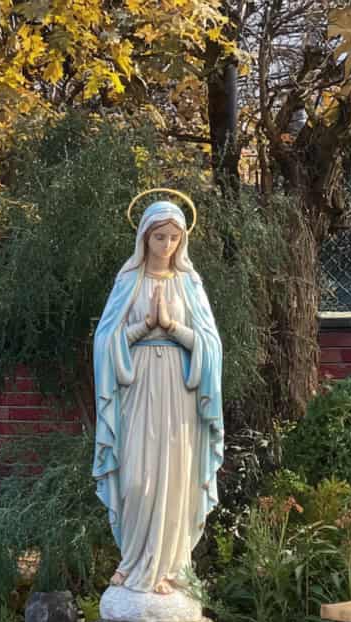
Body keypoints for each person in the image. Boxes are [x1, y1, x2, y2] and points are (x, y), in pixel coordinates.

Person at [92, 195, 224, 595]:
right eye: (159, 237)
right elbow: (104, 342)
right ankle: (132, 560)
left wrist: (171, 327)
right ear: (144, 238)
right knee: (135, 479)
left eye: (173, 238)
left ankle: (168, 566)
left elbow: (211, 345)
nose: (166, 246)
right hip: (136, 388)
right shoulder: (127, 281)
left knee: (174, 478)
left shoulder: (189, 282)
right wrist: (143, 327)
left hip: (179, 393)